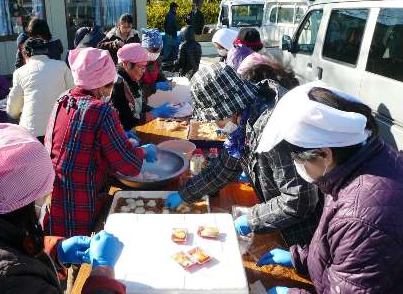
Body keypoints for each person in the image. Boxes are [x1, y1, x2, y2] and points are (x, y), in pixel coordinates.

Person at [255, 83, 403, 294]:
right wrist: (301, 258)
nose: (299, 167)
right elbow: (342, 251)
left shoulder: (360, 217)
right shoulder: (358, 162)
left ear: (325, 154)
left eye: (298, 159)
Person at [0, 123, 127, 294]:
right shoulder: (11, 282)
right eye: (40, 196)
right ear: (20, 204)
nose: (43, 202)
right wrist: (103, 272)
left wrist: (53, 250)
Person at [165, 64, 322, 247]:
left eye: (216, 118)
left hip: (309, 232)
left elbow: (300, 199)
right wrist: (185, 194)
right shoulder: (247, 118)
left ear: (228, 108)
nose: (216, 124)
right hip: (286, 221)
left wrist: (251, 220)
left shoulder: (272, 129)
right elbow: (224, 168)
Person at [45, 47, 157, 238]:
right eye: (109, 85)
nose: (110, 90)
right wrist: (143, 152)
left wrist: (121, 140)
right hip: (82, 199)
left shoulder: (63, 99)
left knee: (63, 252)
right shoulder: (101, 110)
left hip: (55, 195)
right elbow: (128, 164)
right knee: (86, 258)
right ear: (100, 85)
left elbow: (74, 145)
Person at [7, 38, 74, 141]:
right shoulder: (61, 66)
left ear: (25, 55)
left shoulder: (19, 72)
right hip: (60, 129)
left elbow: (12, 111)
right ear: (47, 51)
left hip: (32, 132)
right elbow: (74, 94)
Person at [112, 43, 177, 131]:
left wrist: (156, 110)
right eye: (141, 67)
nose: (143, 72)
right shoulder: (117, 84)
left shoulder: (132, 78)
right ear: (127, 64)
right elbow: (128, 121)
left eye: (144, 68)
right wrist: (155, 113)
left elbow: (139, 105)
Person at [140, 29, 173, 101]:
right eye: (152, 50)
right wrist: (155, 86)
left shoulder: (157, 60)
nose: (155, 54)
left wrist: (164, 81)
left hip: (149, 98)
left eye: (158, 51)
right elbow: (137, 89)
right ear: (144, 47)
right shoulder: (137, 62)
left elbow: (158, 74)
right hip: (139, 100)